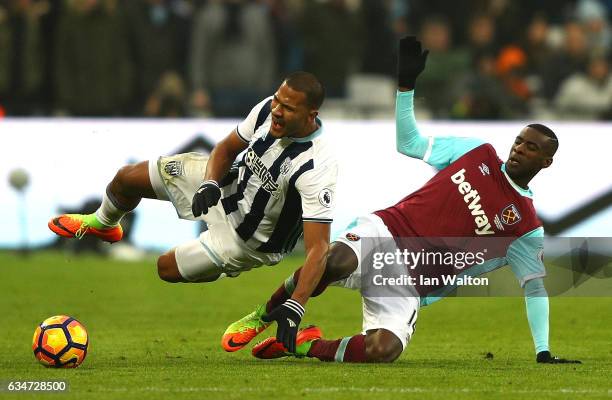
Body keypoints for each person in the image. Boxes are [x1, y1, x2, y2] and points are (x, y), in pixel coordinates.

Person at [222, 37, 581, 365]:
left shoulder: (525, 226)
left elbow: (534, 289)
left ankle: (303, 345)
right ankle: (263, 315)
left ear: (545, 162)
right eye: (519, 140)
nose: (519, 149)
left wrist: (544, 351)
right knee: (336, 259)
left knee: (384, 350)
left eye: (531, 147)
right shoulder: (478, 154)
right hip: (387, 231)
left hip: (413, 280)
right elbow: (409, 143)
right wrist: (406, 87)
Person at [48, 72, 338, 323]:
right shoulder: (267, 110)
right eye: (277, 99)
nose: (276, 109)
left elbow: (319, 248)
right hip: (226, 184)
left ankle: (225, 268)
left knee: (166, 269)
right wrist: (209, 183)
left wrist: (296, 306)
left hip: (247, 242)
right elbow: (225, 149)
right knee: (126, 178)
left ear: (311, 115)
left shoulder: (317, 166)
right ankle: (104, 222)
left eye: (287, 107)